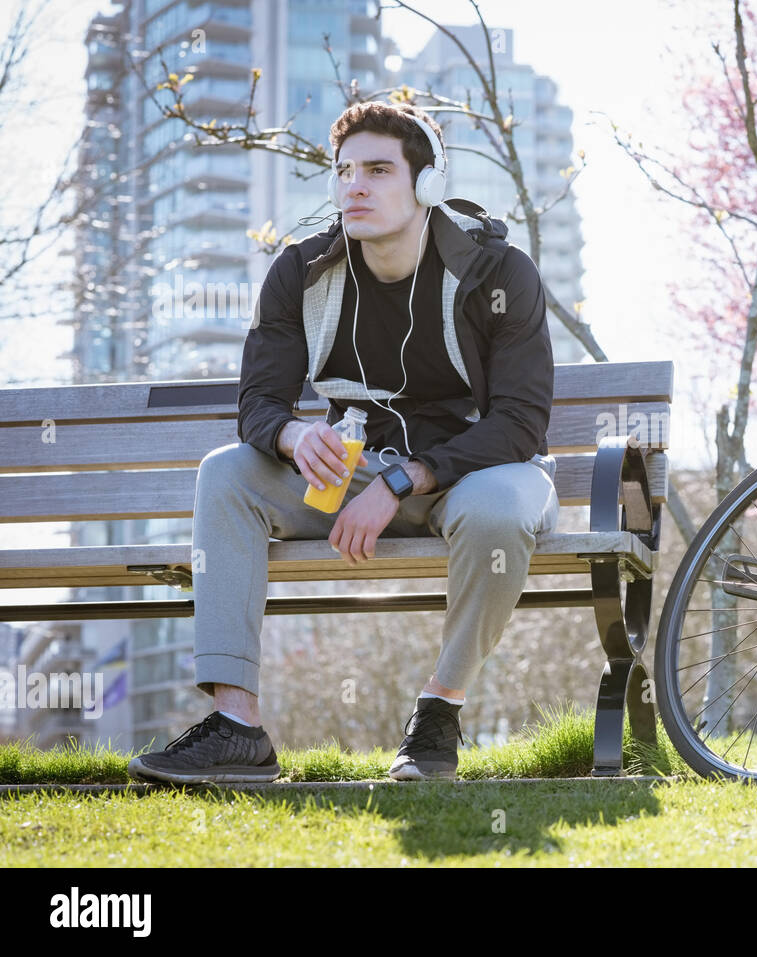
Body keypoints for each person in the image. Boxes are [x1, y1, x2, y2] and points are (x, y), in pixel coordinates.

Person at [128, 101, 557, 784]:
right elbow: (258, 404)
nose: (354, 185)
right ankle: (238, 726)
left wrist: (400, 481)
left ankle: (438, 712)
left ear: (427, 184)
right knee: (227, 474)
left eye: (379, 169)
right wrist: (295, 434)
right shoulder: (300, 273)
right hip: (352, 478)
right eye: (344, 170)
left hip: (477, 473)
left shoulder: (499, 274)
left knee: (500, 511)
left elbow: (520, 424)